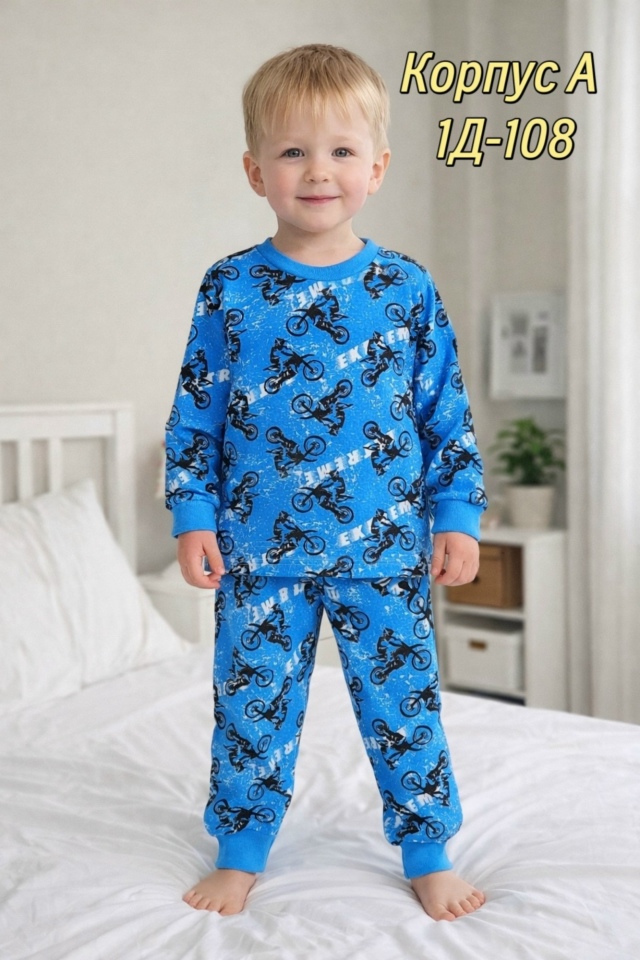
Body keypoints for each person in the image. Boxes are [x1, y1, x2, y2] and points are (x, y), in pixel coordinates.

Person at [164, 43, 487, 921]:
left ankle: (427, 848)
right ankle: (241, 848)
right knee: (251, 707)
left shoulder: (405, 288)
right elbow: (195, 416)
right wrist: (191, 514)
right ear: (255, 171)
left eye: (342, 150)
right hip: (258, 554)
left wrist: (457, 514)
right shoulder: (229, 289)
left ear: (376, 168)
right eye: (293, 151)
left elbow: (445, 414)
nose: (317, 171)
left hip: (385, 551)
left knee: (403, 703)